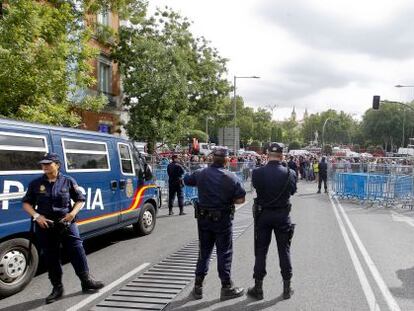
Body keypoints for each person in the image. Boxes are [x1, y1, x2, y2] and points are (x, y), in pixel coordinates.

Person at [22, 153, 104, 304]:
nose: (45, 166)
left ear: (57, 165)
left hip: (66, 223)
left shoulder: (68, 181)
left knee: (77, 250)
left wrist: (72, 214)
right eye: (43, 164)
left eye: (48, 163)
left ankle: (86, 281)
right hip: (45, 225)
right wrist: (36, 216)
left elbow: (80, 199)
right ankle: (57, 288)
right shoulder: (35, 183)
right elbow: (26, 203)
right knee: (51, 256)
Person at [184, 148, 246, 301]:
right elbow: (241, 199)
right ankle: (226, 287)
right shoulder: (232, 177)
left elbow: (187, 180)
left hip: (204, 219)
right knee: (224, 252)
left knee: (204, 252)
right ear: (226, 160)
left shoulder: (201, 173)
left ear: (212, 158)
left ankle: (198, 287)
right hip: (223, 220)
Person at [247, 143, 297, 300]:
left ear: (267, 155)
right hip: (282, 215)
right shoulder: (290, 173)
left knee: (261, 251)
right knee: (284, 251)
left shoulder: (257, 172)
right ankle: (287, 288)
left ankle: (258, 287)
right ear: (282, 156)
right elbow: (293, 191)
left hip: (263, 216)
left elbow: (257, 187)